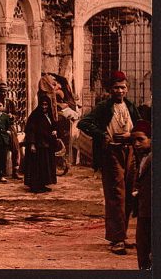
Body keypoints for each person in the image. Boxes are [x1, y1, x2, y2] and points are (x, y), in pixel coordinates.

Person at [77, 70, 141, 255]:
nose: (119, 91)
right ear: (110, 89)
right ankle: (116, 239)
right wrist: (102, 134)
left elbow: (140, 125)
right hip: (111, 153)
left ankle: (122, 235)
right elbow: (84, 123)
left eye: (122, 87)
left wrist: (132, 134)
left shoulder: (130, 106)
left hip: (129, 152)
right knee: (116, 195)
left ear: (127, 89)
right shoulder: (104, 107)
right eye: (116, 88)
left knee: (129, 193)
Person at [23, 95, 58, 193]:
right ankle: (35, 186)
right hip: (38, 145)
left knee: (44, 166)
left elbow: (53, 125)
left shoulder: (49, 114)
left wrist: (54, 130)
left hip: (46, 144)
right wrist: (32, 144)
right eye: (42, 104)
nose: (44, 107)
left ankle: (42, 184)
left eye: (46, 105)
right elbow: (31, 131)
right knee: (37, 166)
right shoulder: (35, 115)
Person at [0, 82, 22, 179]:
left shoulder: (10, 103)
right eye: (1, 92)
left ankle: (15, 170)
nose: (3, 94)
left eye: (5, 92)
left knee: (15, 148)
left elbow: (16, 115)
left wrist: (12, 116)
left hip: (9, 128)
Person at [130, 119, 151, 270]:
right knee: (142, 248)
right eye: (133, 140)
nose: (136, 144)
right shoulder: (141, 158)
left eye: (141, 139)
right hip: (143, 211)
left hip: (150, 213)